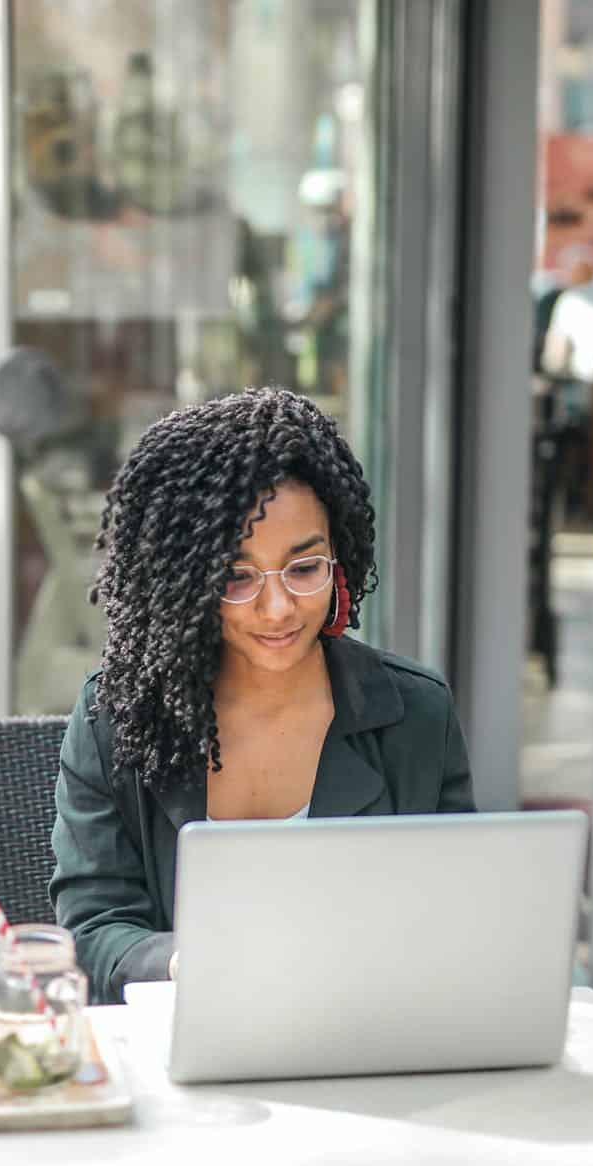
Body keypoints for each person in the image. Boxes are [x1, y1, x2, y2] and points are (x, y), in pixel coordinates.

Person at [48, 389, 476, 1002]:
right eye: (236, 577)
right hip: (181, 1047)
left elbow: (456, 919)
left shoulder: (415, 715)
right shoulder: (114, 719)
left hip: (372, 1038)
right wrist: (185, 961)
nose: (277, 609)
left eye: (304, 570)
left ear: (341, 560)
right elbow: (93, 930)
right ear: (184, 583)